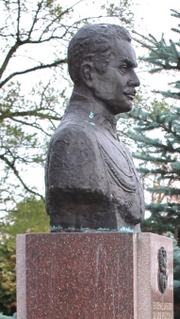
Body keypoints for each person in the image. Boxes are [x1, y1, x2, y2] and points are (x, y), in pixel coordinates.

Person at [45, 24, 144, 232]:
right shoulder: (74, 139)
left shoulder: (117, 145)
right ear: (89, 73)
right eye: (124, 68)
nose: (135, 81)